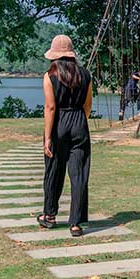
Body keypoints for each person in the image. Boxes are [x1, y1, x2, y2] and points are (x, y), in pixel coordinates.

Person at [39, 34, 92, 237]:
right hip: (79, 122)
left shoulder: (49, 76)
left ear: (54, 56)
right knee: (78, 173)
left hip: (58, 124)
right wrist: (79, 121)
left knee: (53, 170)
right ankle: (76, 223)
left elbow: (50, 107)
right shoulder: (85, 75)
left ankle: (49, 216)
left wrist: (48, 137)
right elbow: (87, 106)